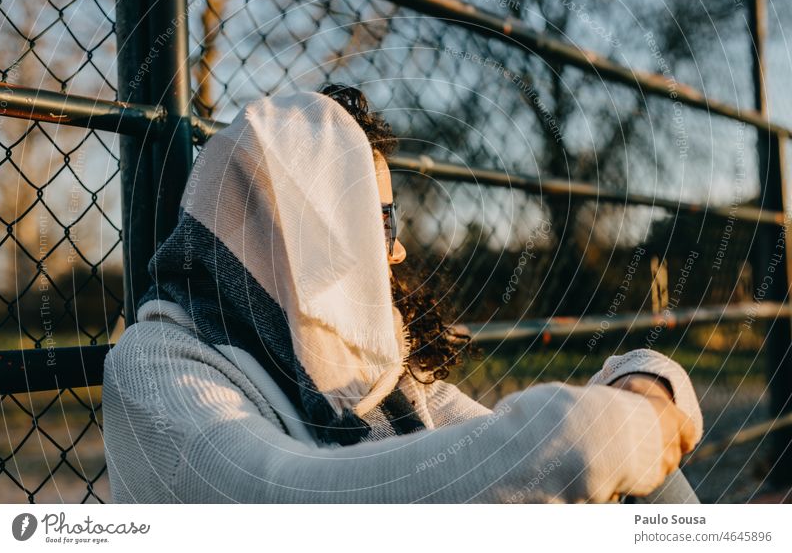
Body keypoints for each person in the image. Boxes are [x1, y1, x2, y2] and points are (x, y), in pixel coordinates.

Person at [101, 84, 703, 503]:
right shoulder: (153, 363)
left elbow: (489, 447)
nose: (396, 251)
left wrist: (645, 380)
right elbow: (283, 498)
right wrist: (595, 433)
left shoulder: (356, 370)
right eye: (378, 222)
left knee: (644, 477)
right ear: (294, 232)